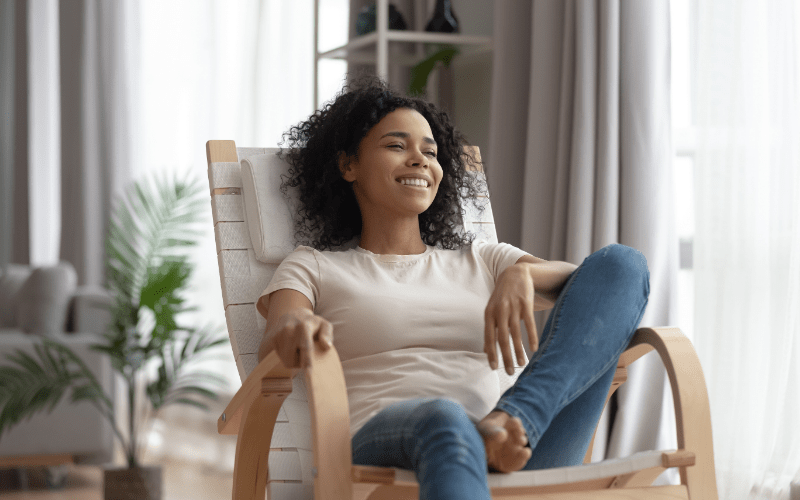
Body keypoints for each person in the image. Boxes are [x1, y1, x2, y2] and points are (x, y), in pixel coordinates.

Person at [255, 77, 650, 500]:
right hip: (386, 447)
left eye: (430, 151)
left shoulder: (483, 259)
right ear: (349, 165)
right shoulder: (315, 265)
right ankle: (491, 432)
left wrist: (523, 274)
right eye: (396, 146)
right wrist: (296, 329)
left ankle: (512, 422)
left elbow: (605, 288)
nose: (419, 160)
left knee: (625, 263)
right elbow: (279, 334)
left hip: (518, 453)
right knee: (445, 416)